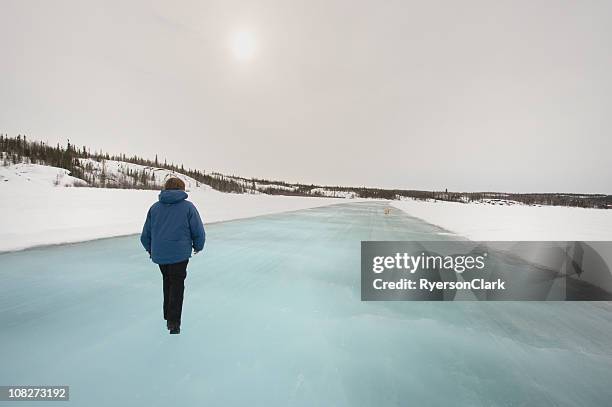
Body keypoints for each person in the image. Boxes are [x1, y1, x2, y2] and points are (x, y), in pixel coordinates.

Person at [140, 177, 205, 334]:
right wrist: (198, 246)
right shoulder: (188, 207)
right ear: (181, 189)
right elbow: (198, 230)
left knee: (167, 280)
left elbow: (145, 234)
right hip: (179, 254)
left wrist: (151, 249)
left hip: (160, 254)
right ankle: (173, 323)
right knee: (177, 284)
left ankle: (168, 314)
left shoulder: (155, 208)